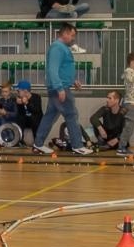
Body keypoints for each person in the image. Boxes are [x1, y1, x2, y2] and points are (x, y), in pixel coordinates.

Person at [35, 24, 92, 156]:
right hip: (60, 89)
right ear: (65, 33)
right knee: (71, 115)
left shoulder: (61, 48)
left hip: (60, 87)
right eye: (72, 35)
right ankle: (77, 145)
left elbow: (62, 69)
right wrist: (60, 88)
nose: (73, 38)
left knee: (50, 117)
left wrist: (73, 81)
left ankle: (38, 143)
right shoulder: (57, 48)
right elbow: (53, 69)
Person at [12, 80, 43, 146]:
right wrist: (19, 105)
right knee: (19, 119)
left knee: (35, 119)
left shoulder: (36, 97)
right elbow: (20, 113)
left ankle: (37, 143)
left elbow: (37, 110)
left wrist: (27, 103)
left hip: (35, 119)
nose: (17, 93)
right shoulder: (18, 98)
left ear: (25, 91)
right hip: (25, 120)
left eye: (19, 91)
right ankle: (20, 141)